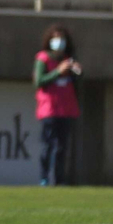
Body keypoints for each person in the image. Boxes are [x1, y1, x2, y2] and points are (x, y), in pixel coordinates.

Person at [34, 24, 81, 186]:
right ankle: (44, 178)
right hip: (50, 109)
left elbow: (76, 85)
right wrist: (57, 72)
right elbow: (39, 81)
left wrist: (76, 72)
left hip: (66, 109)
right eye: (55, 39)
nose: (58, 42)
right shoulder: (43, 59)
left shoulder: (69, 60)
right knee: (48, 146)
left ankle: (60, 180)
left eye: (61, 39)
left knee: (62, 148)